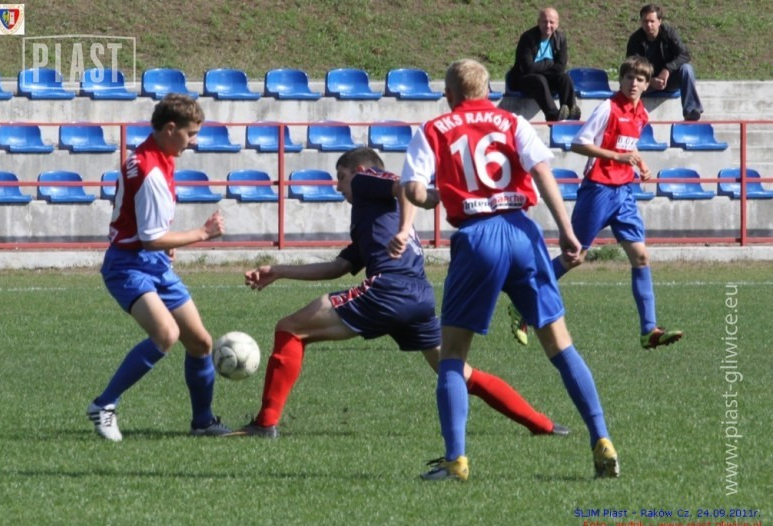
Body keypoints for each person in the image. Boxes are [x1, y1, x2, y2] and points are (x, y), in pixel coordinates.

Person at [228, 147, 568, 440]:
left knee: (290, 328)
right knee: (458, 372)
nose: (338, 185)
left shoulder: (366, 180)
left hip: (387, 290)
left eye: (341, 176)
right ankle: (542, 425)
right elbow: (338, 266)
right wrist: (279, 271)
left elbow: (404, 186)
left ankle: (265, 424)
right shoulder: (374, 219)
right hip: (418, 297)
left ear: (360, 171)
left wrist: (408, 223)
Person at [397, 59, 618, 481]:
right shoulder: (514, 121)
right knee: (561, 345)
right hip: (523, 233)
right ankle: (602, 438)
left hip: (477, 238)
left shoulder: (433, 129)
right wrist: (567, 231)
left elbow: (414, 190)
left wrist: (438, 196)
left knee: (452, 355)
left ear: (449, 95)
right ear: (487, 91)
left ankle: (456, 460)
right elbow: (542, 171)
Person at [87, 94, 230, 442]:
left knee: (200, 343)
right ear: (170, 128)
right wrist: (202, 233)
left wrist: (168, 243)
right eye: (190, 133)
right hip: (128, 266)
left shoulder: (155, 155)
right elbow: (150, 239)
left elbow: (149, 226)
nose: (193, 141)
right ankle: (104, 405)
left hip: (153, 262)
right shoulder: (150, 169)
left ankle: (203, 422)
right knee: (166, 334)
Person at [548, 56, 684, 350]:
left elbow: (627, 146)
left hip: (624, 192)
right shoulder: (607, 108)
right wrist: (617, 157)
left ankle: (649, 330)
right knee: (574, 256)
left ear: (647, 85)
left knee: (641, 257)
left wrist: (639, 163)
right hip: (598, 190)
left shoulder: (641, 114)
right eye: (629, 78)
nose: (633, 83)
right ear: (621, 80)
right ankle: (524, 300)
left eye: (640, 79)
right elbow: (579, 143)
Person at [626, 3, 703, 121]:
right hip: (646, 82)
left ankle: (691, 111)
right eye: (645, 21)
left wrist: (667, 69)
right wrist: (650, 81)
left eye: (652, 21)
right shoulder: (635, 40)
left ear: (659, 21)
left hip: (669, 80)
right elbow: (631, 67)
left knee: (687, 69)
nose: (648, 25)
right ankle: (627, 116)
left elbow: (684, 54)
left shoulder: (669, 34)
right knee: (629, 82)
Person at [505, 7, 581, 122]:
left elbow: (560, 67)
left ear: (557, 24)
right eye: (545, 22)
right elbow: (527, 67)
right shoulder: (527, 38)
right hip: (523, 79)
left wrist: (541, 67)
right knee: (539, 79)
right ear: (538, 22)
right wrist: (549, 62)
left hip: (545, 78)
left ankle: (570, 113)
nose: (548, 25)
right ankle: (553, 116)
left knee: (565, 78)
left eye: (552, 22)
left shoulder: (561, 38)